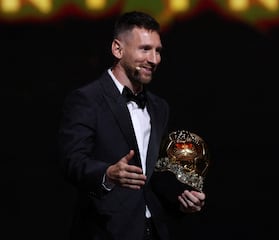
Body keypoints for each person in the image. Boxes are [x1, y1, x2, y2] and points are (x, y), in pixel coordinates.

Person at [58, 10, 206, 240]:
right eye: (145, 49)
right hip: (106, 231)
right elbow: (72, 162)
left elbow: (157, 171)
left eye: (158, 51)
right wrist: (107, 173)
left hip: (154, 230)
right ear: (118, 49)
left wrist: (181, 198)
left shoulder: (159, 107)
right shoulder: (87, 99)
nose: (154, 59)